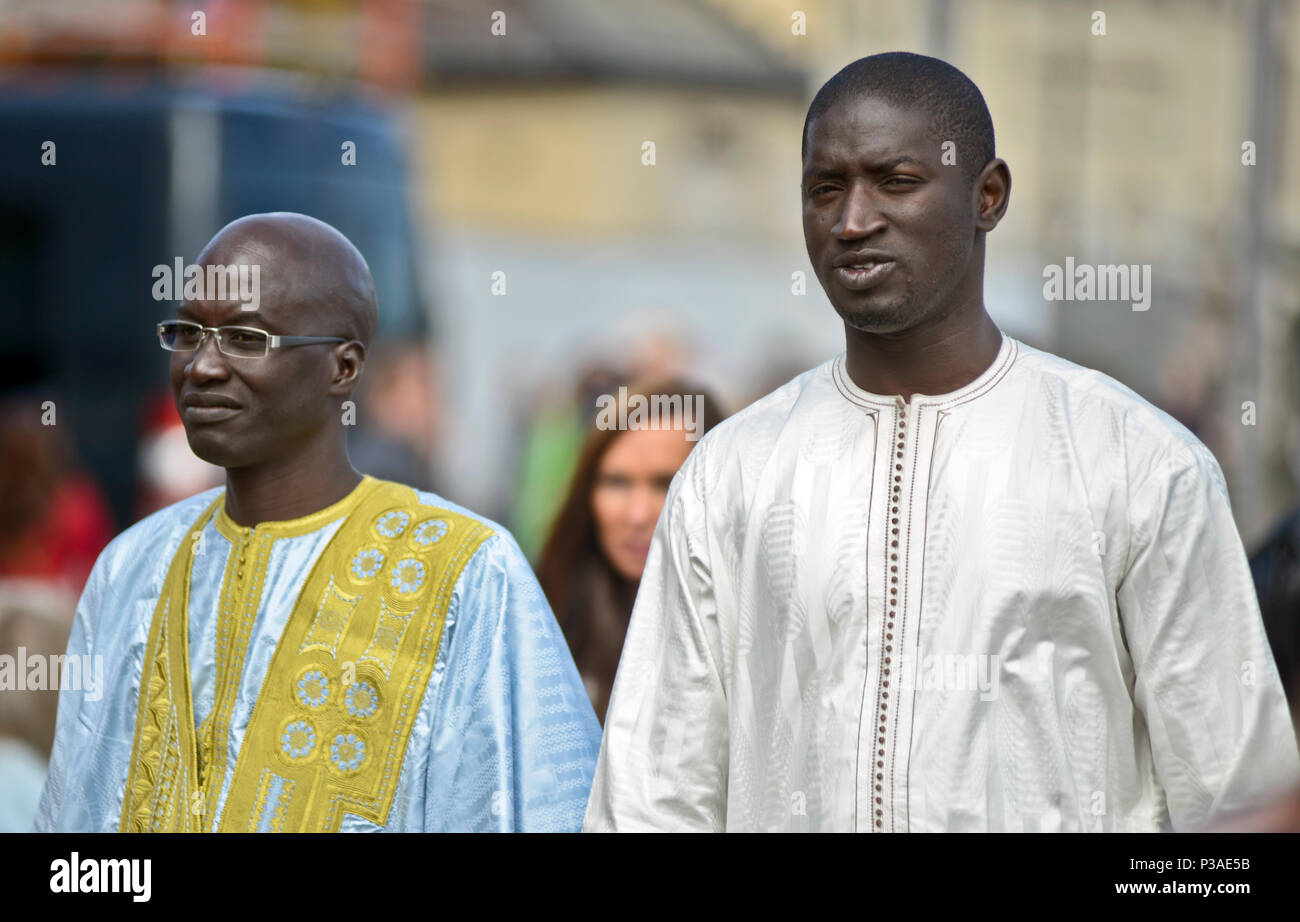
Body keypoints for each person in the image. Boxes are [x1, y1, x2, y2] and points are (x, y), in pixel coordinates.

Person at [584, 53, 1300, 832]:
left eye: (895, 181)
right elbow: (652, 801)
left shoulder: (1137, 464)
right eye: (826, 189)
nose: (853, 220)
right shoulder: (732, 474)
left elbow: (1240, 811)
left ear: (986, 195)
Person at [34, 212, 601, 832]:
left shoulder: (466, 571)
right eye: (189, 332)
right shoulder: (131, 568)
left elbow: (540, 812)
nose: (202, 366)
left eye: (247, 339)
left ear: (345, 368)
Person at [537, 380, 723, 723]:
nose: (637, 514)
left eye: (665, 483)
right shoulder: (542, 621)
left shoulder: (749, 631)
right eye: (616, 482)